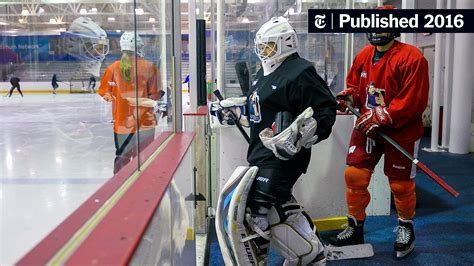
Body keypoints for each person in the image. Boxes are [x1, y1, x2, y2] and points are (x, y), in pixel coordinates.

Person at [211, 17, 336, 265]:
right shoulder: (263, 73)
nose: (262, 51)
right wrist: (235, 111)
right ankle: (311, 253)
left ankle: (301, 255)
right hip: (260, 153)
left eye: (268, 45)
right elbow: (257, 110)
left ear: (286, 43)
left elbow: (326, 110)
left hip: (283, 157)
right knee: (278, 206)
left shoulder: (300, 71)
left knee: (258, 212)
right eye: (261, 45)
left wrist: (302, 134)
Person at [329, 5, 429, 260]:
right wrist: (349, 95)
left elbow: (414, 100)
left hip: (400, 130)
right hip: (367, 127)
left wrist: (385, 115)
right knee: (354, 175)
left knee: (400, 185)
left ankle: (406, 227)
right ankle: (355, 227)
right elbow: (354, 84)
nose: (376, 29)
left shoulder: (412, 57)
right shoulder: (363, 55)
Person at [98, 31, 162, 174]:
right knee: (145, 159)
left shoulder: (113, 68)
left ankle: (121, 188)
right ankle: (144, 189)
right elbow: (155, 95)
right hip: (145, 123)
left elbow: (104, 91)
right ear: (139, 47)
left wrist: (113, 97)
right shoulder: (150, 67)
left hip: (122, 124)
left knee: (122, 159)